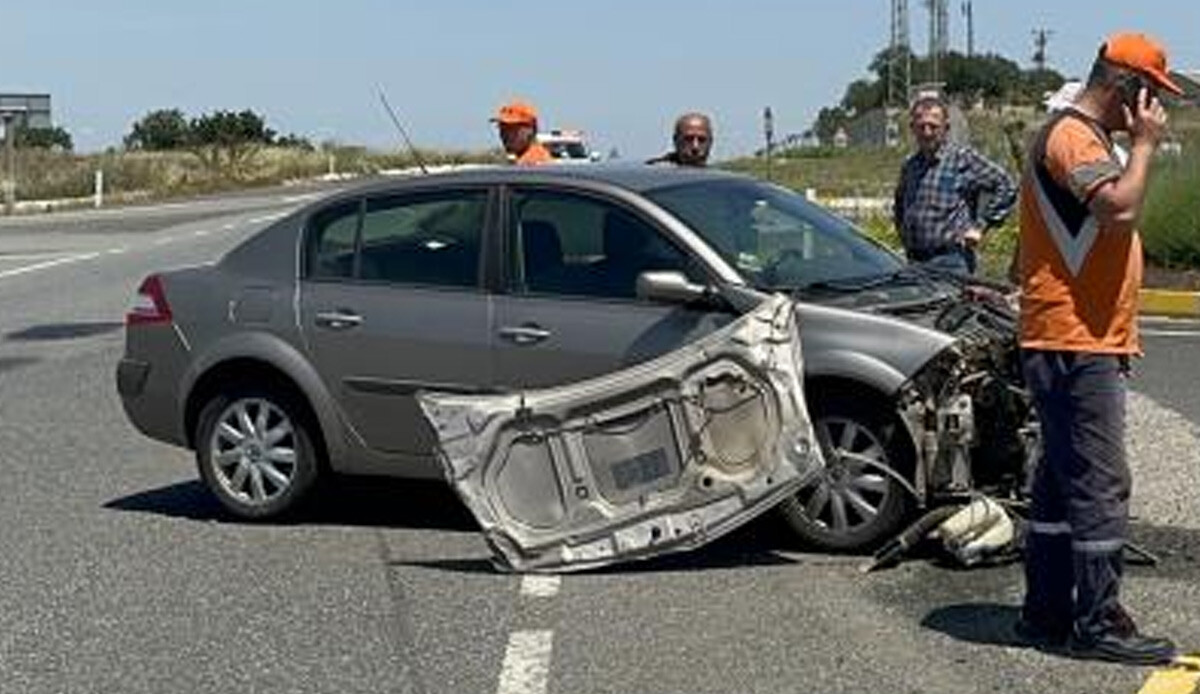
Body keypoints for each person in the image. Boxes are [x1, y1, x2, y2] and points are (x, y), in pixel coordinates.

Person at [1015, 32, 1182, 666]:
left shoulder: (1082, 136)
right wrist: (1144, 146)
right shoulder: (1073, 137)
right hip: (1072, 338)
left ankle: (1047, 611)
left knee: (1062, 483)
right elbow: (1117, 208)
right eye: (1150, 93)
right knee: (1101, 484)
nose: (1155, 108)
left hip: (1078, 336)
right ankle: (1099, 620)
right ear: (1124, 86)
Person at [892, 96, 1017, 275]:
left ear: (946, 128)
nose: (927, 132)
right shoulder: (910, 165)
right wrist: (903, 234)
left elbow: (1006, 185)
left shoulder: (962, 159)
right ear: (913, 128)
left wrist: (980, 227)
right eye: (921, 126)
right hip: (915, 261)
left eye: (933, 126)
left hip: (950, 262)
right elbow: (899, 204)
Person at [491, 100, 552, 166]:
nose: (505, 135)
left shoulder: (532, 163)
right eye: (502, 128)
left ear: (531, 130)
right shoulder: (521, 160)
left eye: (512, 129)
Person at [646, 112, 712, 167]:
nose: (695, 146)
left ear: (710, 142)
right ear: (676, 140)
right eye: (688, 139)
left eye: (701, 140)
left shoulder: (714, 177)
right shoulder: (658, 170)